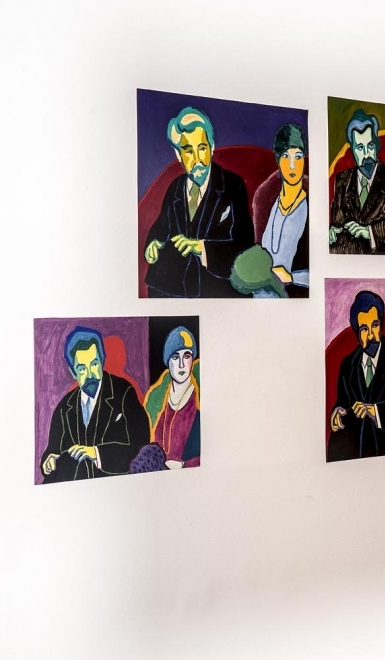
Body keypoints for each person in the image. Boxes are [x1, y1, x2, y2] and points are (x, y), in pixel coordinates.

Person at [144, 107, 254, 297]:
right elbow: (160, 229)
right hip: (173, 291)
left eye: (202, 148)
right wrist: (152, 245)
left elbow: (245, 246)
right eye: (188, 151)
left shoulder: (232, 185)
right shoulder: (175, 188)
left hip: (216, 291)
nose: (197, 159)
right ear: (179, 155)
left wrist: (200, 247)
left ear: (212, 147)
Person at [40, 327, 150, 482]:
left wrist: (97, 453)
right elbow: (52, 451)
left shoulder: (124, 392)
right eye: (82, 369)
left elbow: (143, 447)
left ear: (102, 361)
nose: (90, 374)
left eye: (94, 364)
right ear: (73, 372)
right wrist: (48, 461)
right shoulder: (64, 408)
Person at [328, 291, 385, 460]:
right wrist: (337, 413)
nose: (371, 335)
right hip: (357, 457)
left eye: (375, 325)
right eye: (364, 329)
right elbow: (343, 402)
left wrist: (374, 410)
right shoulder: (347, 365)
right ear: (356, 332)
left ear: (381, 324)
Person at [329, 110, 385, 255]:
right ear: (352, 150)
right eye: (360, 148)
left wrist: (369, 232)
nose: (367, 154)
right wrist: (332, 232)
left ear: (377, 145)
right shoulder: (342, 181)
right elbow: (337, 224)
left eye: (370, 146)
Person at [259, 123, 309, 296]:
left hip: (293, 298)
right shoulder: (268, 203)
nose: (292, 165)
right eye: (286, 156)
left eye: (298, 156)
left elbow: (321, 272)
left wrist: (292, 277)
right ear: (278, 160)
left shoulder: (310, 207)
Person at [143, 326, 201, 469]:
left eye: (186, 356)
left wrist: (183, 465)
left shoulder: (198, 400)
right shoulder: (158, 403)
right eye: (175, 357)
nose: (181, 364)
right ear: (168, 362)